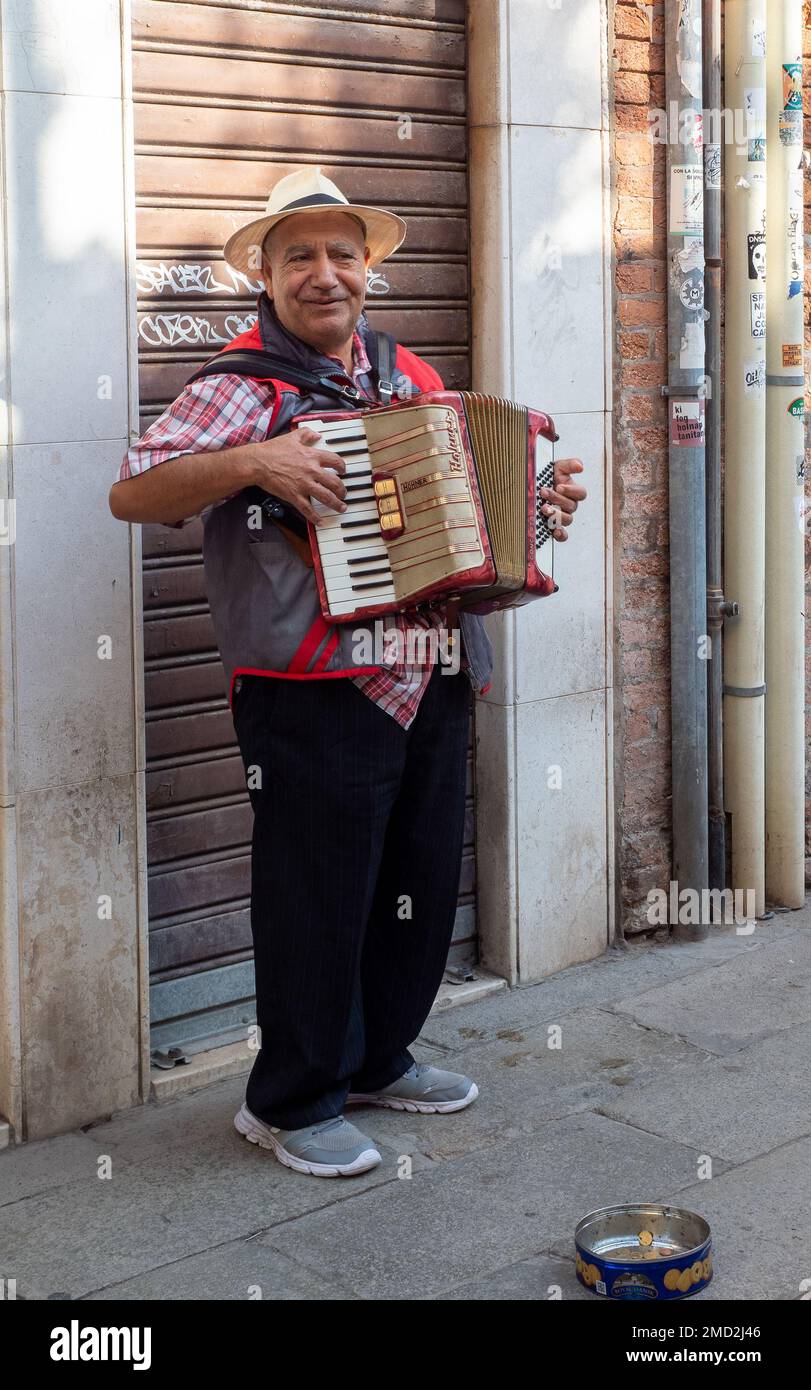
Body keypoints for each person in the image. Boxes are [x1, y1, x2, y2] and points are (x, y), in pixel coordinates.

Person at [109, 167, 586, 1178]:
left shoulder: (403, 374)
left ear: (366, 269)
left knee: (411, 880)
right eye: (299, 259)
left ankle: (376, 1059)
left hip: (428, 669)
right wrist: (254, 462)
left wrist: (538, 503)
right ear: (266, 277)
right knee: (315, 892)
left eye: (341, 256)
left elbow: (471, 506)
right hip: (311, 685)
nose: (324, 275)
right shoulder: (239, 388)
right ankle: (288, 1101)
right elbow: (136, 491)